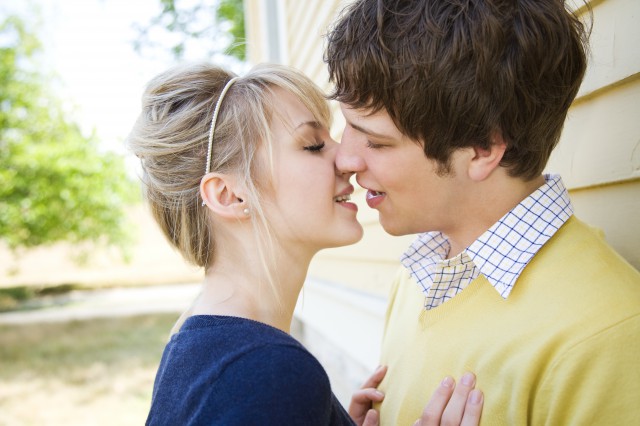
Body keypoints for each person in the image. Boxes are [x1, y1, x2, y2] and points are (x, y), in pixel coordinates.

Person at [324, 0, 640, 425]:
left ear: (482, 150)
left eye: (376, 142)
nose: (344, 159)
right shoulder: (419, 274)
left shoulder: (607, 337)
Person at [127, 62, 483, 425]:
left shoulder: (197, 353)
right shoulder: (266, 373)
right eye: (313, 145)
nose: (345, 160)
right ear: (230, 195)